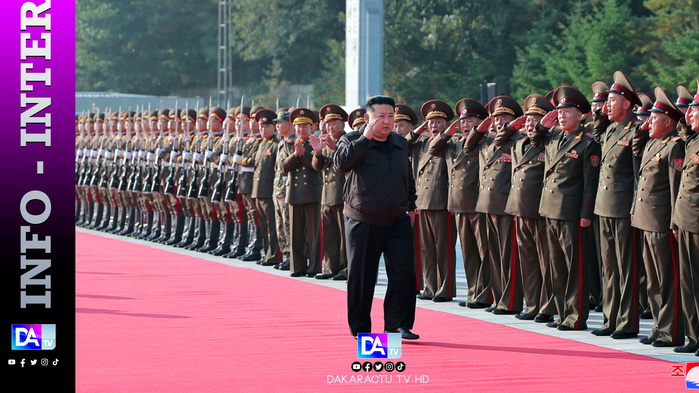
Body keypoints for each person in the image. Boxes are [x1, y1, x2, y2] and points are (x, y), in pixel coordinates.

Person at [334, 95, 419, 340]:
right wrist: (365, 139)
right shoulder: (351, 139)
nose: (387, 121)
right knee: (362, 278)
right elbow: (341, 163)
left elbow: (407, 176)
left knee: (403, 275)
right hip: (363, 220)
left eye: (390, 116)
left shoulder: (400, 142)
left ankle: (398, 326)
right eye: (380, 116)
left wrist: (411, 205)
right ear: (367, 118)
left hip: (397, 219)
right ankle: (361, 329)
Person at [532, 85, 601, 331]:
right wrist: (543, 124)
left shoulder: (587, 144)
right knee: (557, 267)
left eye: (567, 112)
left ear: (580, 115)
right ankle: (562, 313)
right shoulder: (553, 137)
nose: (561, 116)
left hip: (572, 212)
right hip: (549, 209)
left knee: (575, 267)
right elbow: (534, 140)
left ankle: (575, 317)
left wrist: (585, 213)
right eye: (559, 112)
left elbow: (590, 183)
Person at [631, 87, 685, 348]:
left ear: (668, 122)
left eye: (653, 118)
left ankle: (671, 330)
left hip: (662, 220)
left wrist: (674, 221)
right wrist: (646, 129)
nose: (647, 122)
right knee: (652, 278)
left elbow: (676, 189)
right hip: (646, 219)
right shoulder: (653, 142)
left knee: (666, 278)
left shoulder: (674, 147)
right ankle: (658, 326)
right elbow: (635, 147)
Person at [495, 94, 556, 323]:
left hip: (538, 210)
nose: (530, 125)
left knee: (544, 261)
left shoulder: (547, 142)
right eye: (528, 121)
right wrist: (513, 126)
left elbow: (542, 136)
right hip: (519, 209)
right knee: (528, 261)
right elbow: (499, 141)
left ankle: (547, 306)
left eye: (535, 121)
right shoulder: (517, 142)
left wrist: (541, 128)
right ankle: (531, 304)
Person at [591, 71, 642, 339]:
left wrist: (635, 207)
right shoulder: (610, 129)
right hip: (603, 206)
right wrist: (602, 116)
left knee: (625, 267)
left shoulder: (635, 131)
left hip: (623, 207)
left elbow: (638, 175)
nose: (606, 106)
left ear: (627, 104)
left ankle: (627, 322)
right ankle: (610, 318)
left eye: (612, 101)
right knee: (608, 267)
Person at [427, 98, 491, 309]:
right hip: (458, 206)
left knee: (484, 252)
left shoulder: (484, 143)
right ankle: (473, 292)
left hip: (477, 205)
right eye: (462, 121)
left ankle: (485, 294)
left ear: (480, 123)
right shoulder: (452, 144)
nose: (465, 125)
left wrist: (479, 133)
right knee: (469, 253)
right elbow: (432, 150)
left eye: (470, 120)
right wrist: (446, 133)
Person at [464, 96, 524, 314]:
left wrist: (510, 130)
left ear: (515, 121)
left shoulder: (517, 140)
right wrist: (480, 129)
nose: (499, 123)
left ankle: (510, 302)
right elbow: (468, 148)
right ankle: (498, 299)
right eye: (497, 119)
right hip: (487, 205)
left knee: (508, 257)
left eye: (505, 119)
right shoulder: (486, 141)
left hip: (506, 205)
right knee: (494, 256)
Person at [408, 100, 457, 303]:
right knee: (426, 248)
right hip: (422, 203)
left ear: (446, 123)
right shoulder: (421, 144)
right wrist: (417, 131)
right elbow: (403, 143)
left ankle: (444, 289)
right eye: (430, 122)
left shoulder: (451, 143)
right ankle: (430, 286)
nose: (434, 126)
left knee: (442, 248)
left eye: (438, 121)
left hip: (441, 203)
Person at [673, 81, 699, 355]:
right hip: (686, 221)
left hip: (696, 222)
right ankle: (693, 337)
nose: (688, 115)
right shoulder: (692, 141)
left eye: (693, 110)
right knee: (688, 282)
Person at [310, 104, 349, 280]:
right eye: (327, 123)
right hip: (326, 194)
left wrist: (335, 148)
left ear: (342, 124)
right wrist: (318, 153)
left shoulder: (348, 140)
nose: (330, 127)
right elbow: (316, 167)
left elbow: (348, 163)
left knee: (344, 235)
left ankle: (345, 268)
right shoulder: (325, 142)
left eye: (334, 123)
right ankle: (329, 267)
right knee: (329, 233)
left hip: (342, 194)